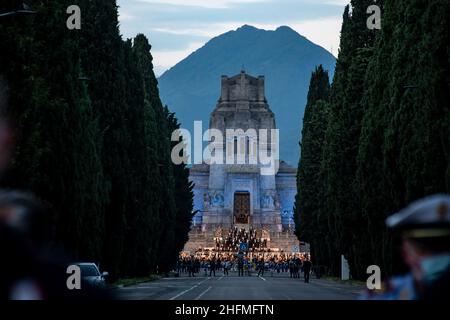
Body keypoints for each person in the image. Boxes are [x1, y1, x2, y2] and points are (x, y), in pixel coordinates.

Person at [362, 194, 450, 300]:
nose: (438, 258)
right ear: (405, 253)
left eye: (446, 249)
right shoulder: (384, 295)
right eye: (423, 249)